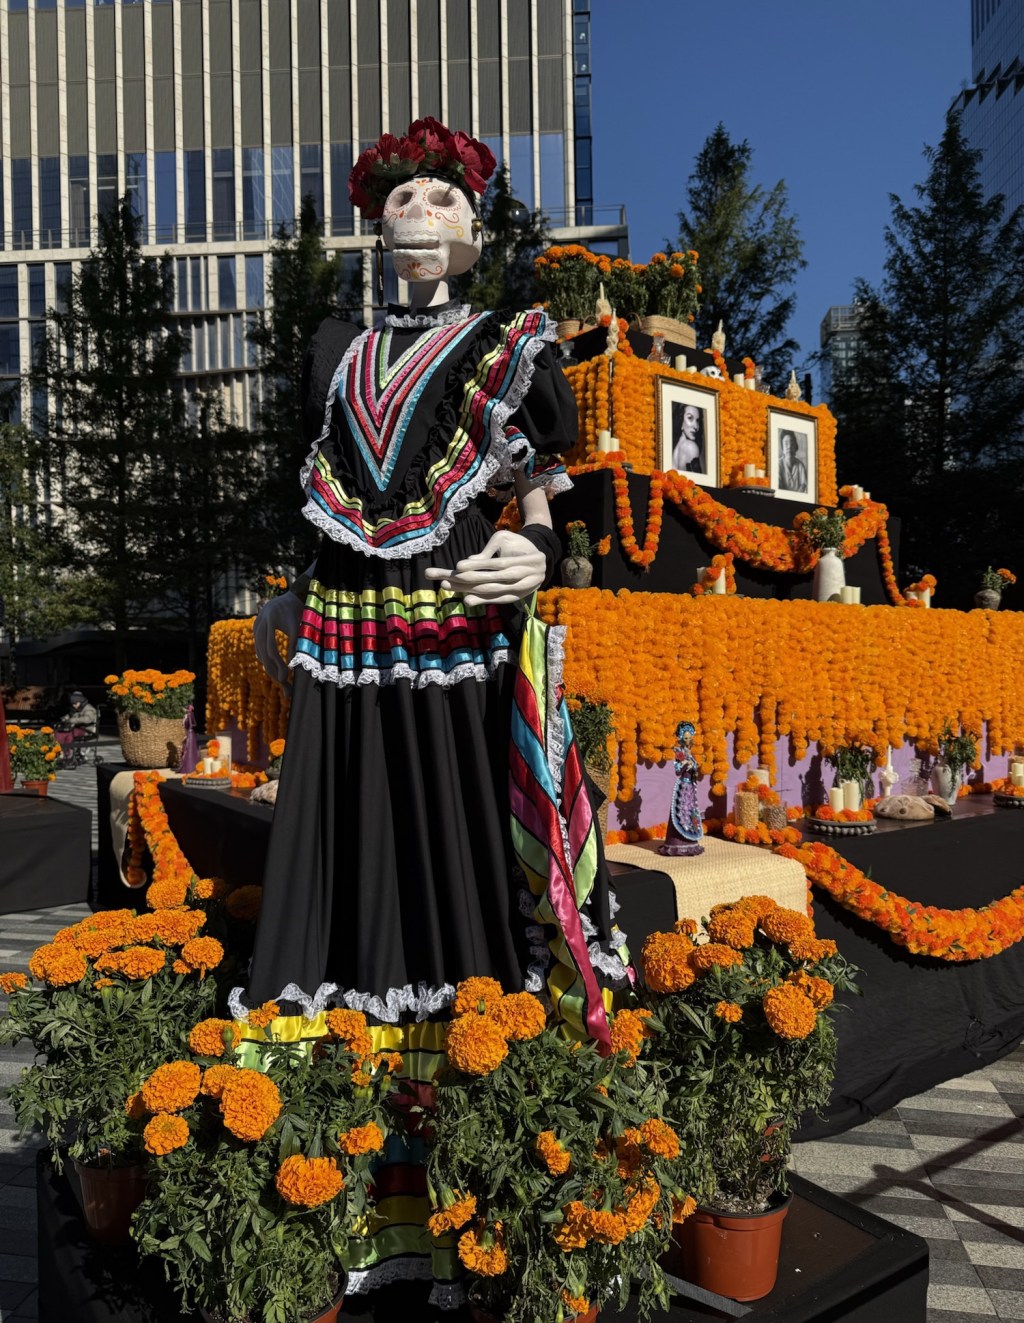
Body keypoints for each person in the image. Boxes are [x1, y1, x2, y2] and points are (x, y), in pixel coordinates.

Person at [241, 117, 629, 1306]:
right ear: (375, 223)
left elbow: (545, 499)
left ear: (474, 228)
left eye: (442, 197)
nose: (419, 211)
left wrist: (533, 550)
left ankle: (484, 1174)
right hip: (346, 638)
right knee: (348, 850)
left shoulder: (511, 346)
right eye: (401, 196)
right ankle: (339, 1181)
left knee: (461, 846)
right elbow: (313, 497)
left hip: (457, 630)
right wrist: (287, 596)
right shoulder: (332, 350)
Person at [659, 721, 705, 856]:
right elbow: (678, 771)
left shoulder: (689, 753)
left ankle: (690, 841)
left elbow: (695, 769)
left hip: (690, 788)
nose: (688, 740)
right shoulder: (679, 752)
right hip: (683, 787)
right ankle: (677, 843)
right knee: (681, 812)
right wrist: (685, 764)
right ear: (680, 737)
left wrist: (693, 766)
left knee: (690, 813)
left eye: (690, 737)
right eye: (685, 737)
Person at [54, 690, 97, 757]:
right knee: (60, 732)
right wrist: (65, 719)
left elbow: (87, 719)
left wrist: (72, 720)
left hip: (87, 729)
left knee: (69, 733)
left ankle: (67, 751)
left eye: (75, 704)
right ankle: (60, 750)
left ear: (80, 701)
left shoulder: (89, 709)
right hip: (78, 728)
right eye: (72, 704)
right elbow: (72, 715)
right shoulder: (78, 708)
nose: (74, 706)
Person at [672, 402, 704, 472]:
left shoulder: (676, 447)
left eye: (697, 421)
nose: (696, 426)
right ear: (680, 420)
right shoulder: (690, 446)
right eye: (690, 418)